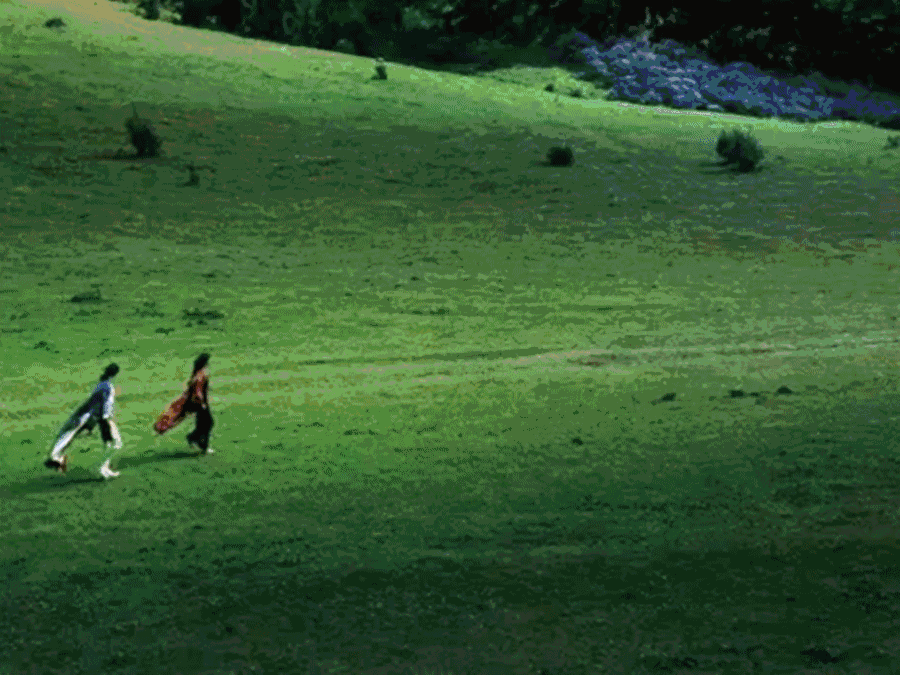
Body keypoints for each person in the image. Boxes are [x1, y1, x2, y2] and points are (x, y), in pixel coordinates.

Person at [44, 363, 123, 479]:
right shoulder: (107, 387)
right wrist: (104, 421)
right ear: (115, 374)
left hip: (94, 418)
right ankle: (101, 468)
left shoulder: (101, 385)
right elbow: (106, 405)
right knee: (115, 444)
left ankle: (103, 469)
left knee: (70, 434)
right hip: (101, 419)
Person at [154, 353, 215, 455]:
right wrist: (202, 403)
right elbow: (198, 391)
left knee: (203, 423)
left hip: (199, 403)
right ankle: (201, 444)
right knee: (208, 423)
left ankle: (194, 438)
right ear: (205, 364)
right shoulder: (200, 375)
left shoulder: (198, 373)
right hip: (201, 404)